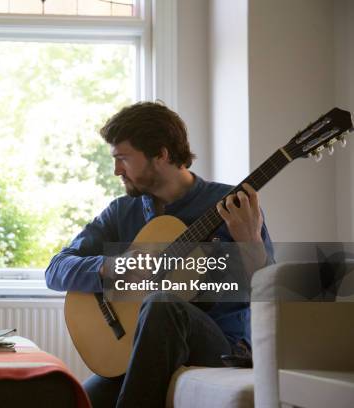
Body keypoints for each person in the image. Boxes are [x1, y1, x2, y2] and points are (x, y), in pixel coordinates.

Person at [44, 102, 274, 407]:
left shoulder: (231, 206)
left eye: (123, 158)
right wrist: (108, 267)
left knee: (164, 302)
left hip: (218, 345)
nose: (116, 170)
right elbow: (56, 269)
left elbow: (269, 291)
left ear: (161, 154)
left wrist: (250, 243)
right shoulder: (121, 212)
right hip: (135, 348)